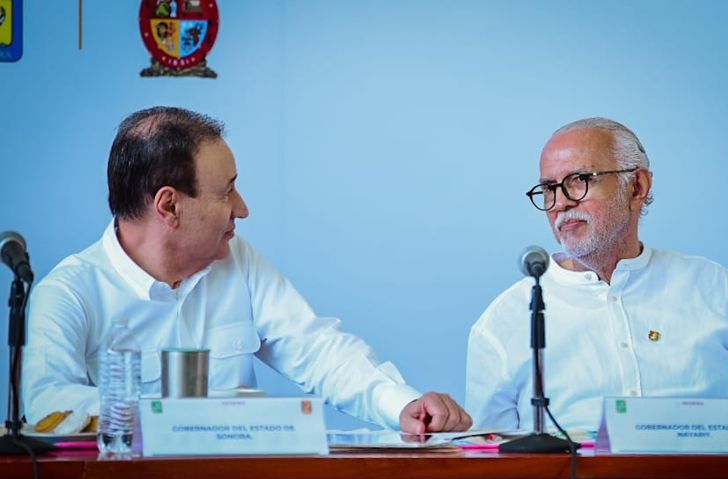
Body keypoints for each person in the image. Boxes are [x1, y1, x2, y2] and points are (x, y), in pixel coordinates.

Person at [22, 106, 472, 435]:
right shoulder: (69, 292)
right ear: (169, 205)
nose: (242, 209)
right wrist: (178, 417)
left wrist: (403, 404)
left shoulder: (237, 260)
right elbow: (46, 403)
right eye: (226, 193)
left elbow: (318, 349)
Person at [466, 117, 728, 433]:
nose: (560, 203)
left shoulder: (714, 288)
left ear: (637, 186)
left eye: (579, 180)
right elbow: (490, 459)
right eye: (550, 188)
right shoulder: (504, 321)